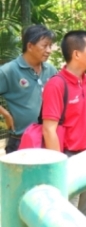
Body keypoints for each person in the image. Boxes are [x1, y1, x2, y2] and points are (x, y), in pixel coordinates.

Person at [42, 30, 86, 223]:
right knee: (66, 221)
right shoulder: (56, 85)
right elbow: (49, 129)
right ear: (76, 54)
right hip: (68, 159)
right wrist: (59, 169)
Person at [0, 25, 57, 153]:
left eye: (50, 46)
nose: (49, 50)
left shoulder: (51, 70)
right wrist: (6, 114)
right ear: (30, 46)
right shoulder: (9, 70)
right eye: (44, 45)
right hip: (20, 140)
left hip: (47, 138)